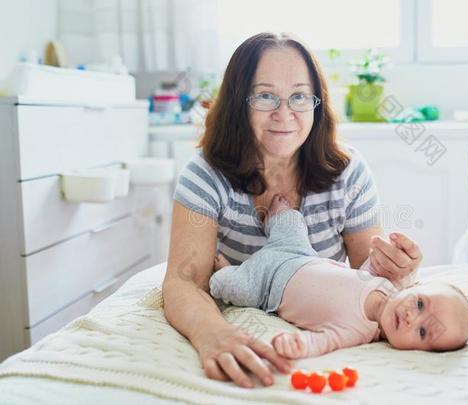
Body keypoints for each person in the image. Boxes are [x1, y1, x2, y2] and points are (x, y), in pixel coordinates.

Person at [162, 32, 423, 389]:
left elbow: (369, 273)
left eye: (299, 96)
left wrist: (400, 269)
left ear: (316, 103)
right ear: (239, 102)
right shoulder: (205, 175)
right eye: (265, 96)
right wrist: (213, 334)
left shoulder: (348, 171)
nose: (284, 114)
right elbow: (183, 282)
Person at [210, 194, 468, 358]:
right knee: (292, 225)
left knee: (230, 287)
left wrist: (298, 345)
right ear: (415, 286)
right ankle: (280, 215)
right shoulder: (384, 285)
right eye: (419, 304)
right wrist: (387, 256)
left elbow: (321, 342)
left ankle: (226, 271)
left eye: (423, 332)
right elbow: (365, 272)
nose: (410, 316)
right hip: (298, 254)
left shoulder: (356, 331)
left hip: (266, 286)